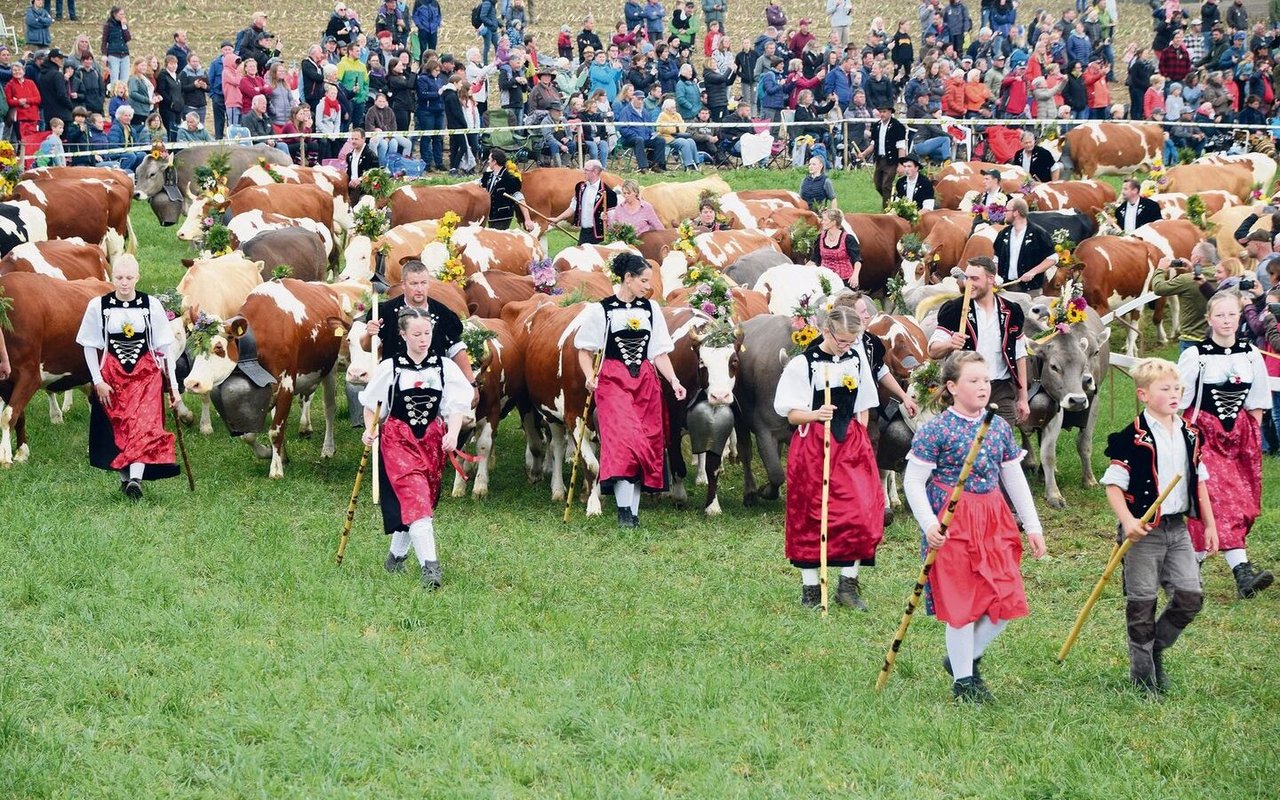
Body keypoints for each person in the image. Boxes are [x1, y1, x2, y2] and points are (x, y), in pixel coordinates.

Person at [903, 351, 1047, 702]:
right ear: (951, 387)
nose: (983, 387)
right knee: (962, 606)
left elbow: (1013, 477)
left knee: (1005, 597)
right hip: (952, 521)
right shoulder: (935, 430)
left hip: (992, 518)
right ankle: (964, 683)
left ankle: (961, 660)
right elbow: (913, 481)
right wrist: (928, 524)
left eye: (985, 380)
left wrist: (1033, 525)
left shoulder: (997, 426)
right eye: (973, 380)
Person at [1101, 358, 1216, 694]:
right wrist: (1128, 522)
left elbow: (1201, 483)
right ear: (1143, 395)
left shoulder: (1191, 434)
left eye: (1176, 388)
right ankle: (1143, 678)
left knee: (1190, 596)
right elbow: (1113, 486)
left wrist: (1209, 525)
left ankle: (1156, 646)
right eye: (1164, 389)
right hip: (1143, 533)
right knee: (1142, 604)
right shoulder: (1131, 437)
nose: (1173, 394)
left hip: (1177, 529)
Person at [774, 293, 883, 608]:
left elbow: (864, 403)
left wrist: (859, 429)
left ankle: (848, 586)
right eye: (841, 341)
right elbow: (790, 413)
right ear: (826, 332)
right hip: (813, 446)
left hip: (850, 445)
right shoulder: (802, 365)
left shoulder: (855, 360)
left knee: (860, 513)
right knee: (811, 516)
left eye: (852, 341)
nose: (846, 346)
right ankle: (810, 591)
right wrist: (815, 415)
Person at [359, 307, 470, 589]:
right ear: (403, 335)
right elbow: (371, 405)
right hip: (398, 439)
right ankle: (430, 570)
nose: (423, 339)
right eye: (417, 334)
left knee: (423, 500)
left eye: (427, 333)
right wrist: (369, 431)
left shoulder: (443, 367)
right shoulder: (390, 368)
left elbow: (456, 406)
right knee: (417, 500)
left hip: (432, 440)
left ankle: (395, 558)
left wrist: (453, 434)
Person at [573, 253, 686, 528]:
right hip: (612, 380)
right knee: (626, 443)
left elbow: (659, 353)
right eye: (644, 281)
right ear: (628, 279)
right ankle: (625, 511)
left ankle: (631, 514)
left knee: (644, 444)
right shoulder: (602, 310)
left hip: (645, 382)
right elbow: (584, 351)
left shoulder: (651, 310)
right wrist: (590, 376)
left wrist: (673, 381)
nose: (648, 287)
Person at [1178, 291, 1273, 598]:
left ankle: (1188, 571)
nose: (1227, 321)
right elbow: (1180, 403)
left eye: (1232, 314)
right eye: (1220, 315)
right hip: (1204, 434)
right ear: (1209, 319)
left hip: (1240, 437)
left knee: (1241, 504)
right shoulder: (1197, 356)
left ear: (1239, 317)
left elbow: (1256, 403)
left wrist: (1252, 440)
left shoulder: (1250, 354)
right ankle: (1242, 573)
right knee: (1213, 501)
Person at [75, 255, 181, 501]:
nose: (124, 283)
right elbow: (89, 346)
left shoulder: (150, 305)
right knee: (119, 426)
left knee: (144, 425)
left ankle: (136, 478)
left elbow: (165, 349)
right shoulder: (98, 306)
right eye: (119, 278)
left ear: (138, 277)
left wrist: (173, 387)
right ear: (112, 278)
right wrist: (97, 381)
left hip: (146, 375)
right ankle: (126, 480)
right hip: (111, 375)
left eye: (129, 278)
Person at [928, 256, 1030, 428]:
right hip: (964, 391)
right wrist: (949, 344)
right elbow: (932, 350)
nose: (969, 283)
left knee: (1000, 447)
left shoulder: (1012, 311)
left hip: (1000, 390)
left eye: (975, 278)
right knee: (965, 447)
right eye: (967, 278)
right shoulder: (955, 309)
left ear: (991, 279)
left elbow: (1020, 355)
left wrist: (1023, 398)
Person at [1152, 246, 1215, 351]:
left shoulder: (1186, 280)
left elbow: (1158, 288)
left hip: (1191, 339)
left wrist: (1160, 269)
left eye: (1192, 255)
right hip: (1215, 336)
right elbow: (1202, 275)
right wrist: (1193, 269)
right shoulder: (1221, 275)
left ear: (1197, 259)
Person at [993, 197, 1056, 292]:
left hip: (1030, 289)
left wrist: (1033, 272)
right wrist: (996, 275)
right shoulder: (1003, 234)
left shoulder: (1038, 233)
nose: (1004, 213)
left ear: (1016, 213)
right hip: (1005, 288)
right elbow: (996, 258)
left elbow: (1052, 258)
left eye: (1007, 210)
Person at [550, 160, 619, 244]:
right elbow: (572, 207)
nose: (584, 172)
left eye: (586, 170)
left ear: (595, 172)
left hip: (599, 236)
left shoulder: (609, 193)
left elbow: (613, 217)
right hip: (583, 233)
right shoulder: (580, 187)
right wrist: (557, 219)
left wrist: (607, 218)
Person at [860, 104, 907, 206]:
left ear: (890, 112)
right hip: (879, 160)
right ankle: (892, 200)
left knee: (886, 185)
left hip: (891, 161)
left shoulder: (897, 126)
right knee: (878, 185)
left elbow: (901, 147)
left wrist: (901, 164)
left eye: (884, 112)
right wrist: (864, 153)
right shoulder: (876, 126)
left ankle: (886, 209)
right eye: (880, 112)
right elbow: (873, 144)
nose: (882, 114)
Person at [478, 147, 531, 231]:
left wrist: (527, 219)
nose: (488, 162)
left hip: (503, 216)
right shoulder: (488, 176)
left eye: (489, 159)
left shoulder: (509, 178)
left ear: (494, 162)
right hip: (491, 216)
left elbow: (519, 198)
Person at [810, 207, 863, 288]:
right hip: (825, 281)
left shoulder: (848, 239)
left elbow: (857, 260)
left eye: (825, 220)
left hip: (844, 280)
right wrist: (800, 271)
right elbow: (814, 260)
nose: (822, 222)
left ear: (833, 222)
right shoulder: (820, 238)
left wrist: (855, 276)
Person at [345, 127, 380, 201]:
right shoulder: (349, 156)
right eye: (352, 139)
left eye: (356, 139)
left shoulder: (371, 156)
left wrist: (360, 180)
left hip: (365, 192)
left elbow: (375, 174)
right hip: (351, 191)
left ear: (363, 139)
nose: (353, 141)